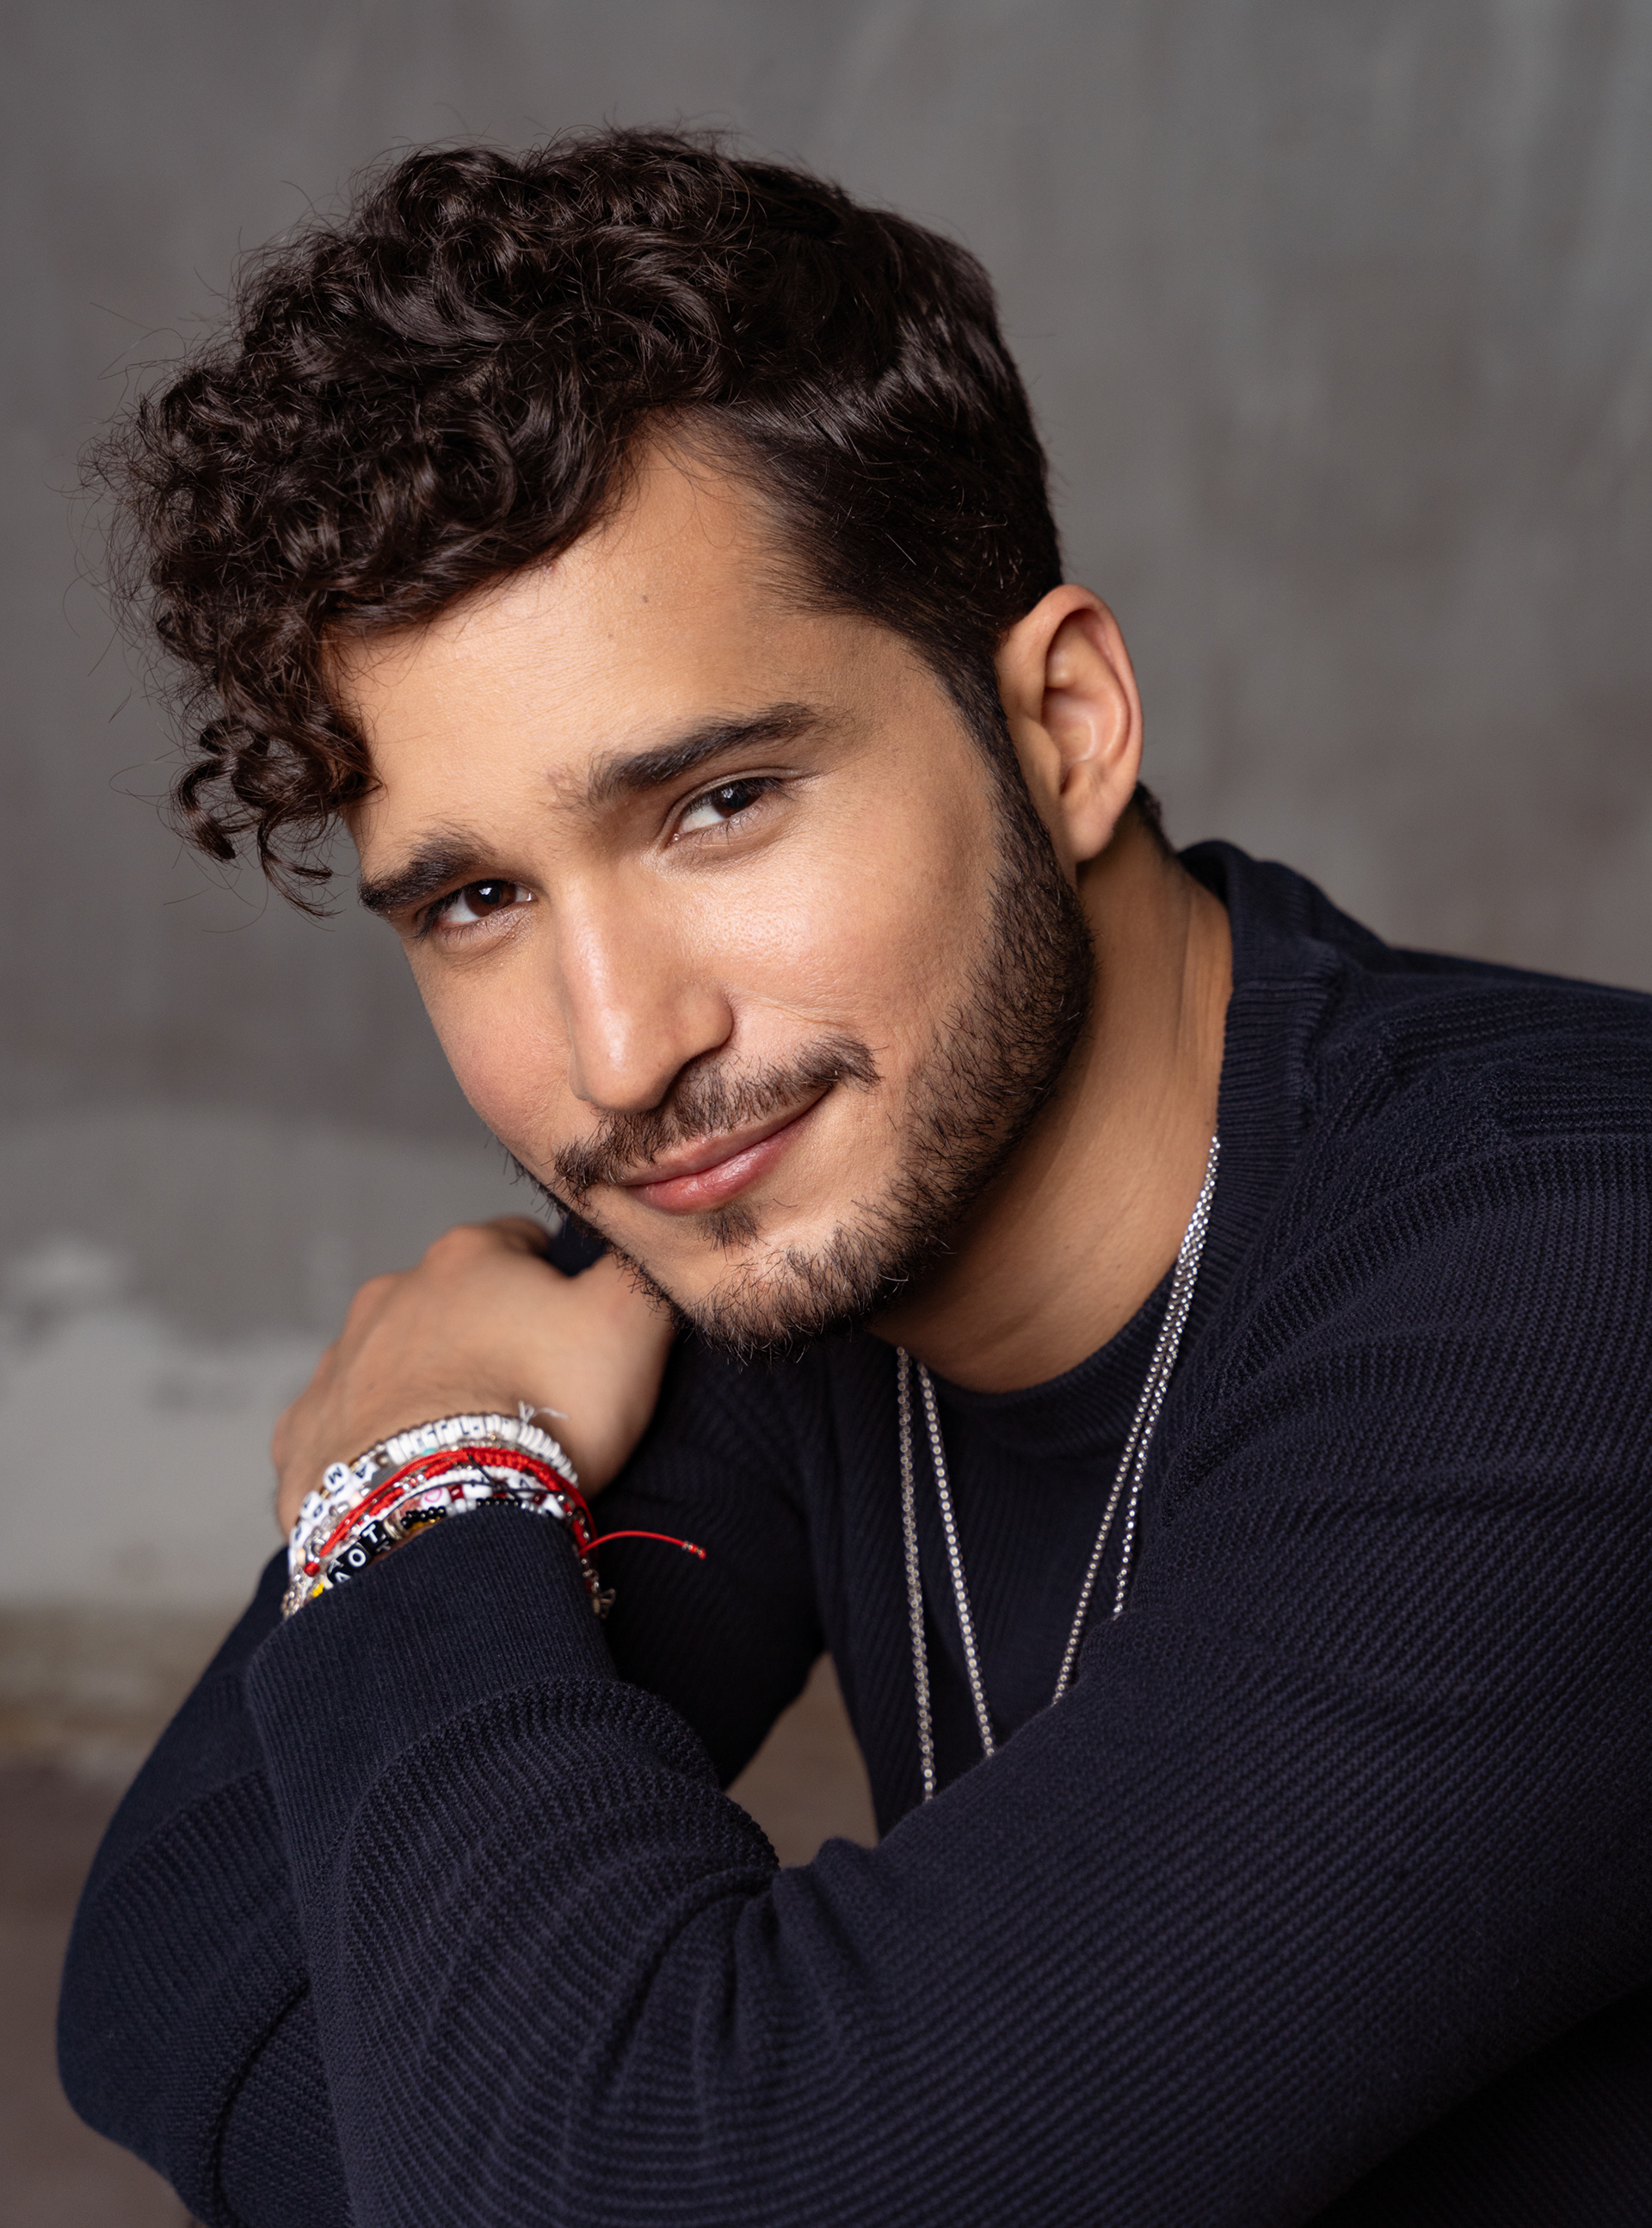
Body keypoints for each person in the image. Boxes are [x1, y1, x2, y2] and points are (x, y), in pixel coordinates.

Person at [59, 132, 1652, 2228]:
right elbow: (187, 1961)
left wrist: (423, 1484)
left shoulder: (1577, 1290)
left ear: (1063, 725)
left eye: (719, 804)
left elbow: (659, 2193)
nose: (622, 1051)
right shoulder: (790, 1216)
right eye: (474, 901)